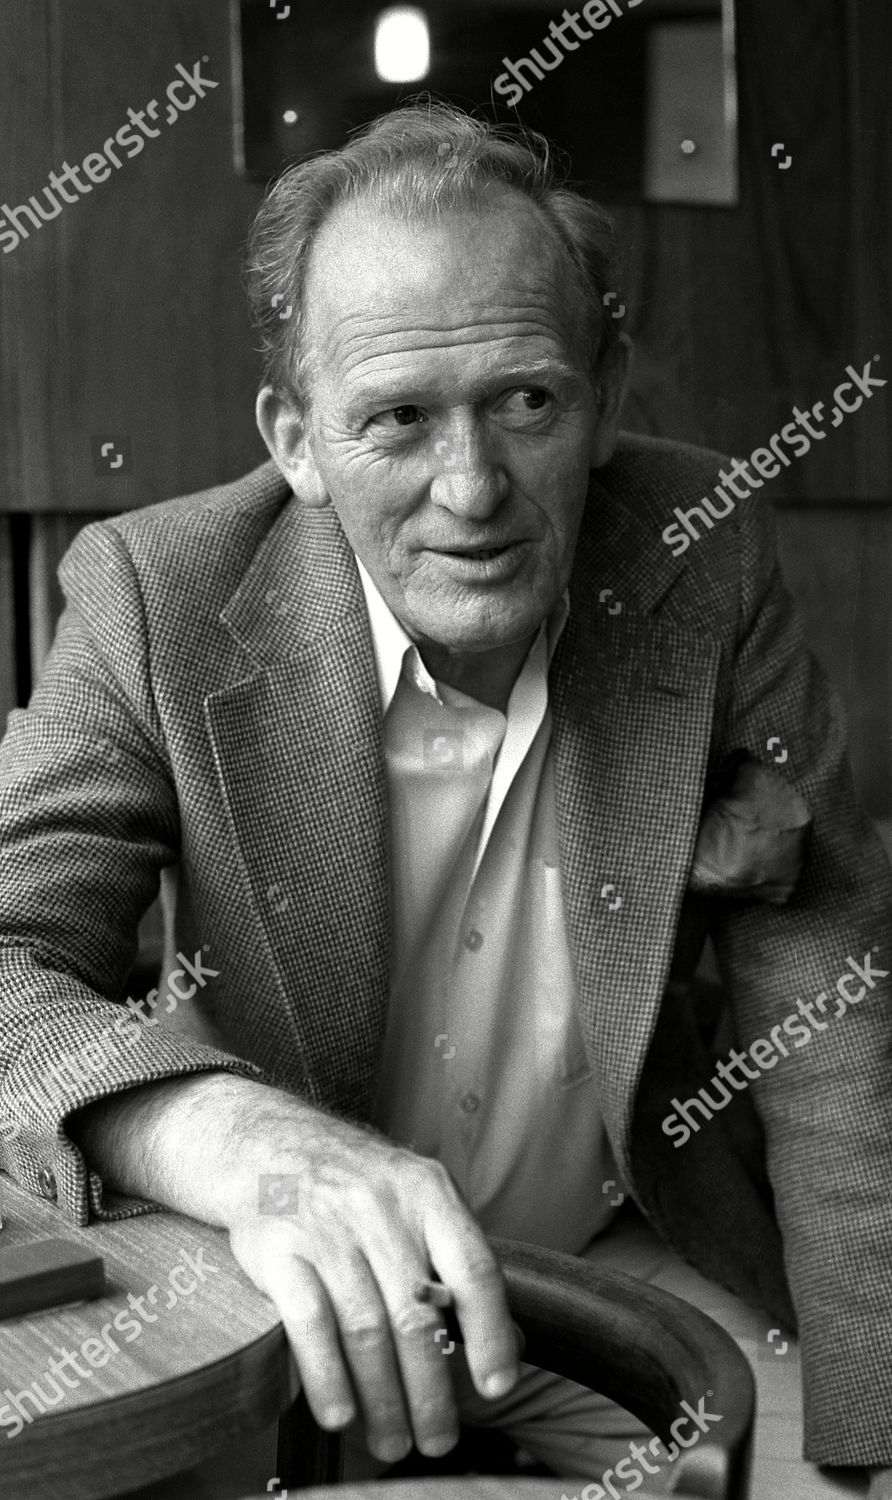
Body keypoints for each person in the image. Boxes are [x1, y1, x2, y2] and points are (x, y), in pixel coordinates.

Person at [0, 100, 891, 1494]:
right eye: (398, 420)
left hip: (629, 1259)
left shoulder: (702, 557)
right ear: (297, 440)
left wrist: (870, 1429)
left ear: (600, 395)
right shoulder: (151, 591)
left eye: (525, 401)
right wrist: (238, 1142)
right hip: (270, 1302)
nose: (469, 491)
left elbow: (828, 1006)